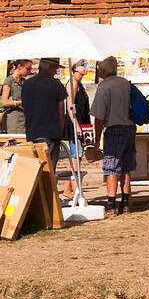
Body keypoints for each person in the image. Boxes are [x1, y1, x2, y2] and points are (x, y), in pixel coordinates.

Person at [90, 55, 135, 215]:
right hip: (130, 129)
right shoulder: (125, 84)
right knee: (126, 167)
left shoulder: (104, 87)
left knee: (111, 167)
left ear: (102, 70)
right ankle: (126, 203)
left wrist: (96, 141)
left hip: (114, 129)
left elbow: (99, 117)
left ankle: (111, 205)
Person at [21, 58, 67, 177]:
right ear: (50, 68)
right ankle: (49, 195)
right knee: (49, 171)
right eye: (55, 69)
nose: (56, 72)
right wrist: (60, 130)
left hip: (32, 132)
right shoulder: (56, 84)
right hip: (50, 132)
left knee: (35, 170)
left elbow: (25, 107)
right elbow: (62, 111)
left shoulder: (27, 84)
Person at [61, 60, 92, 202]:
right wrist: (77, 126)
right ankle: (74, 190)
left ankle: (68, 190)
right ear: (75, 68)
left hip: (81, 124)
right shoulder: (72, 83)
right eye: (82, 65)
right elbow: (70, 107)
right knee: (76, 157)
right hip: (76, 125)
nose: (86, 68)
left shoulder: (78, 84)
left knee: (76, 157)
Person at [0, 59, 33, 134]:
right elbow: (4, 102)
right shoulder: (9, 81)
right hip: (14, 122)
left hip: (25, 120)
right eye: (28, 69)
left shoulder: (24, 82)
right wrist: (20, 102)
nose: (29, 72)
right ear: (19, 66)